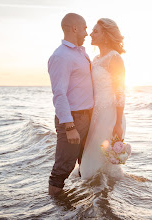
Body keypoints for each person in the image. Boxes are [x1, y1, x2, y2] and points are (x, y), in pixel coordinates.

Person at [47, 13, 94, 195]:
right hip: (73, 119)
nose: (87, 33)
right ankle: (55, 208)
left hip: (87, 117)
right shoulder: (61, 56)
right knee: (63, 167)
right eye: (85, 28)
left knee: (88, 162)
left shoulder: (80, 53)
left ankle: (88, 206)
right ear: (75, 28)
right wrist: (69, 126)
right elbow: (59, 93)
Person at [79, 18, 126, 180]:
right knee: (91, 159)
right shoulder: (96, 59)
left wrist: (118, 123)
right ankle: (97, 194)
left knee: (99, 159)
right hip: (95, 115)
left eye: (95, 31)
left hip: (109, 115)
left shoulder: (115, 58)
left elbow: (120, 91)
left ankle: (104, 196)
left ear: (106, 34)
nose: (91, 34)